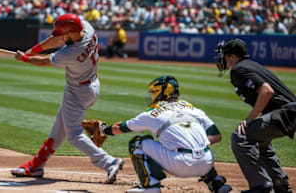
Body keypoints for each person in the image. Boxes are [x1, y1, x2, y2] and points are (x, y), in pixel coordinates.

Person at [10, 13, 124, 184]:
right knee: (59, 129)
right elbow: (55, 39)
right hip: (90, 85)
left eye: (64, 34)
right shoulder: (87, 28)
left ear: (70, 33)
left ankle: (109, 162)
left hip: (78, 91)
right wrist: (32, 50)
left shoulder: (71, 52)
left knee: (74, 135)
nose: (61, 36)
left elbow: (43, 61)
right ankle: (36, 165)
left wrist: (25, 58)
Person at [99, 76, 232, 193]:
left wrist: (103, 130)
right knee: (200, 145)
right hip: (207, 163)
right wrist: (195, 144)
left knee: (137, 143)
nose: (151, 96)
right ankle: (217, 184)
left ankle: (150, 186)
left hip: (180, 165)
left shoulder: (152, 113)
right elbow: (216, 136)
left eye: (153, 93)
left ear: (160, 93)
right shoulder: (194, 110)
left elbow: (119, 128)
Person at [215, 38, 296, 193]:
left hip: (286, 113)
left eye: (225, 55)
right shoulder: (251, 65)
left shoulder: (238, 69)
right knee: (260, 141)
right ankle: (280, 185)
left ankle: (261, 187)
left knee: (241, 136)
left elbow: (267, 91)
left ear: (233, 57)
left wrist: (248, 119)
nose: (222, 58)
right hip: (289, 112)